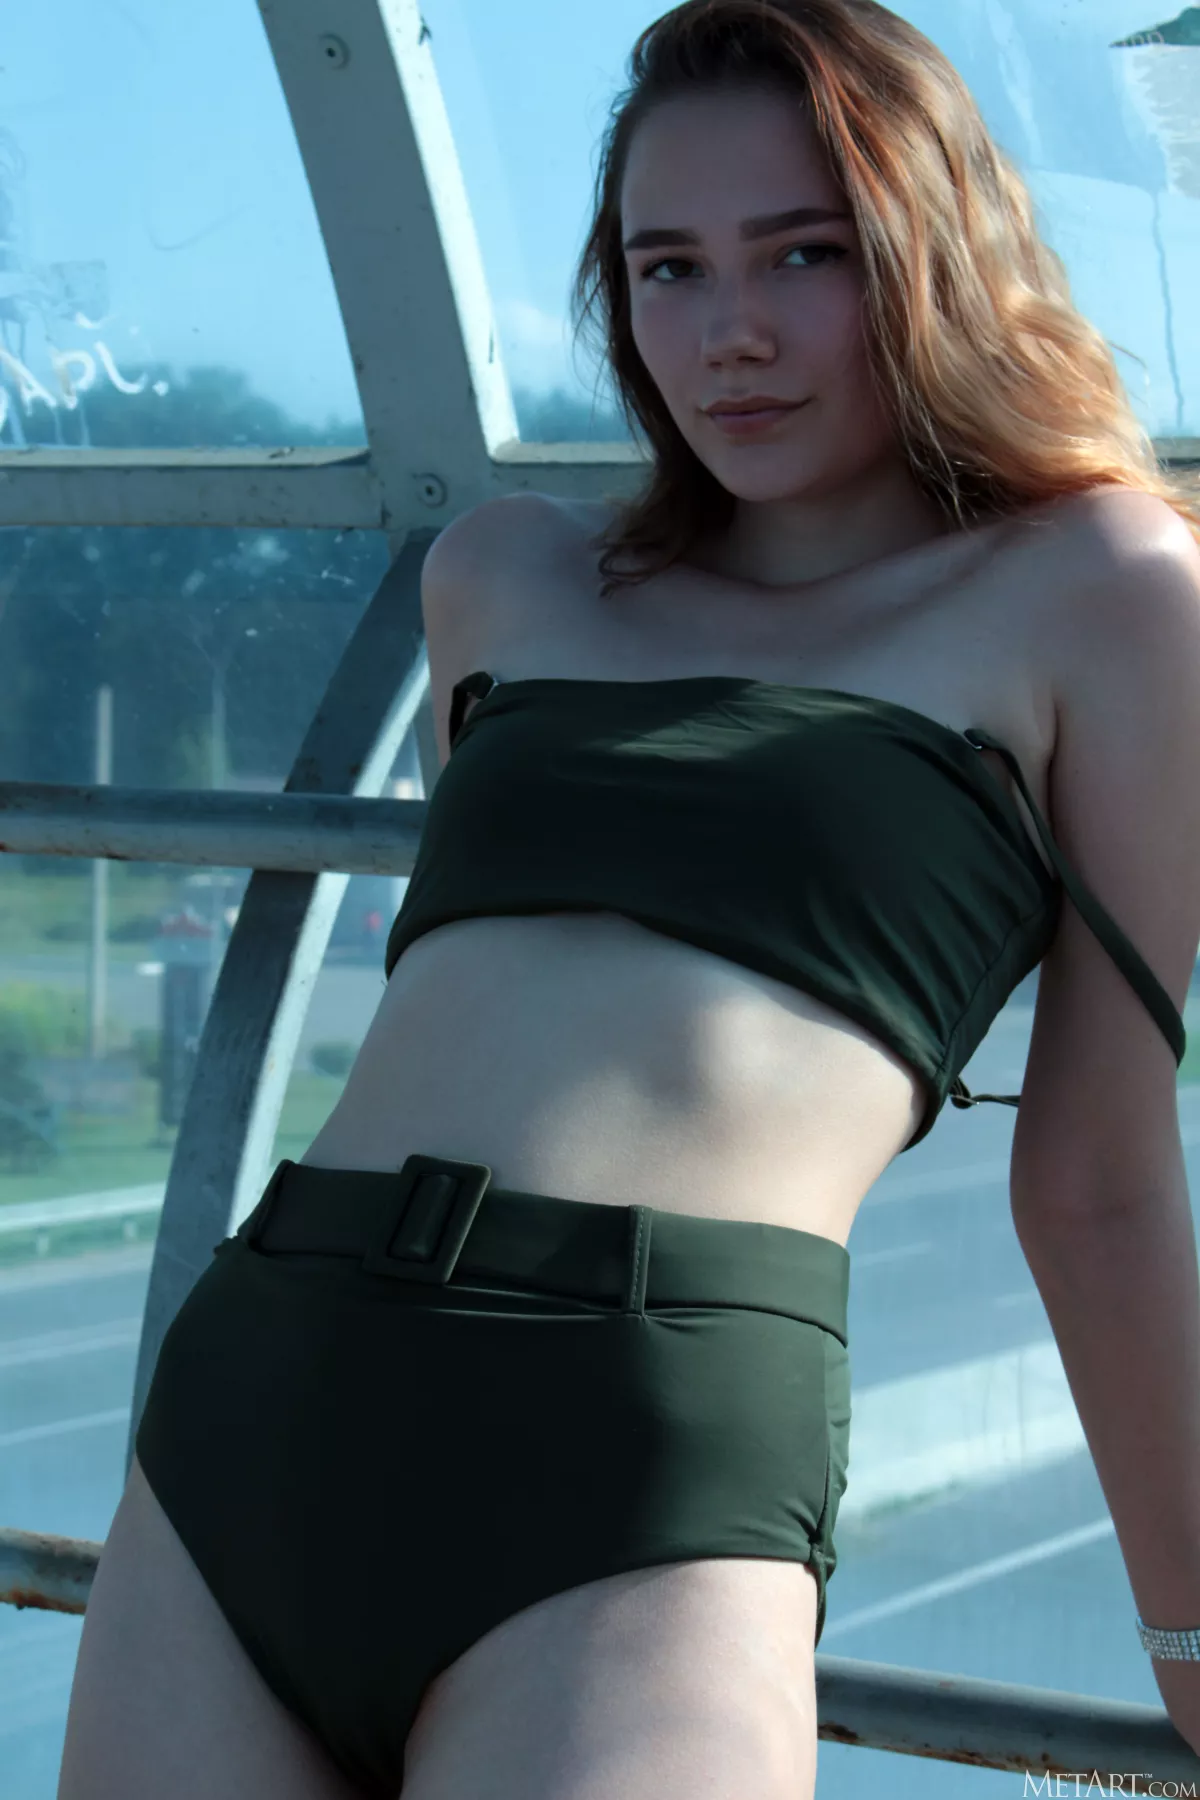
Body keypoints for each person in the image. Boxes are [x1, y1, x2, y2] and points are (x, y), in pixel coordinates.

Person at [57, 1, 1200, 1796]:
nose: (729, 332)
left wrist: (1194, 1641)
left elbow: (1101, 1178)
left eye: (805, 254)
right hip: (264, 1390)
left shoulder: (1104, 593)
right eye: (669, 268)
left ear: (938, 255)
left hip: (645, 1428)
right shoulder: (509, 576)